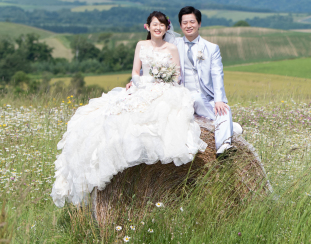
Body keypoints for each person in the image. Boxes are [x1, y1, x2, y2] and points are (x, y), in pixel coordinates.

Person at [51, 11, 206, 207]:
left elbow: (176, 75)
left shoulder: (172, 48)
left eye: (162, 25)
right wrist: (144, 82)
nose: (158, 28)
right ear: (147, 27)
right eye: (154, 24)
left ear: (167, 27)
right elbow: (135, 71)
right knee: (111, 117)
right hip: (143, 86)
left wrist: (163, 81)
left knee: (163, 115)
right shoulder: (141, 45)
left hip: (165, 88)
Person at [165, 6, 237, 155]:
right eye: (184, 23)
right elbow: (156, 56)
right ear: (180, 25)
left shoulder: (211, 48)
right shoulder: (174, 45)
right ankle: (230, 127)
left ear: (199, 23)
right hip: (182, 96)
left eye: (192, 22)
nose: (188, 25)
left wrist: (219, 100)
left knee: (224, 110)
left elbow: (217, 74)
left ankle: (223, 146)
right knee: (196, 99)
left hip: (206, 96)